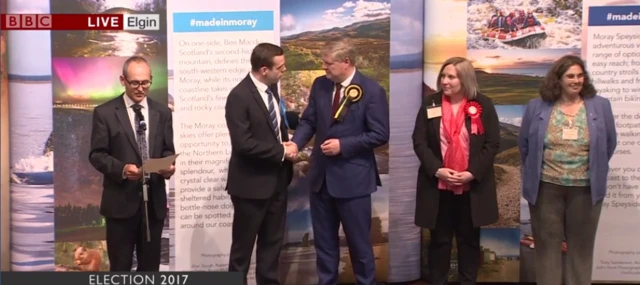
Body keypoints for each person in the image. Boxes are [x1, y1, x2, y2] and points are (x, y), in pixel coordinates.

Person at [287, 38, 390, 285]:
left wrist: (343, 146)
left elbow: (380, 134)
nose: (324, 68)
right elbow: (309, 121)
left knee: (359, 245)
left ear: (346, 62)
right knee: (324, 244)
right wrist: (295, 144)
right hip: (320, 180)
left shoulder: (372, 91)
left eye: (328, 63)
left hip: (353, 181)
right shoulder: (320, 85)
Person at [518, 55, 616, 285]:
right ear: (558, 79)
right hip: (546, 189)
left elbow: (608, 144)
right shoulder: (536, 107)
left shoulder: (600, 106)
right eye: (570, 76)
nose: (576, 80)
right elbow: (525, 146)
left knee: (581, 250)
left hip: (585, 189)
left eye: (580, 75)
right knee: (546, 248)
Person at [411, 57, 500, 285]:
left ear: (465, 79)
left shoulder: (484, 105)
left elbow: (492, 144)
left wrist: (472, 172)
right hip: (438, 186)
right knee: (439, 242)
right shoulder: (430, 103)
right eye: (443, 75)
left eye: (451, 76)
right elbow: (419, 141)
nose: (445, 81)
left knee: (469, 241)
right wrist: (437, 169)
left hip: (471, 187)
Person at [88, 55, 175, 271]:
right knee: (120, 268)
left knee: (150, 269)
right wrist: (122, 169)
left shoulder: (162, 112)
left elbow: (167, 149)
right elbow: (97, 154)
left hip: (153, 205)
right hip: (120, 204)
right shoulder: (105, 113)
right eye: (135, 82)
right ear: (123, 80)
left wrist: (167, 168)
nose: (140, 88)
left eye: (145, 82)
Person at [224, 42, 299, 285]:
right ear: (264, 69)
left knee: (271, 248)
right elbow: (243, 144)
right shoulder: (238, 96)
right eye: (281, 67)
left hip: (277, 182)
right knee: (242, 252)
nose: (284, 70)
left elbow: (276, 127)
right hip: (250, 187)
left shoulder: (272, 88)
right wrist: (281, 151)